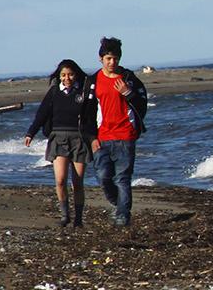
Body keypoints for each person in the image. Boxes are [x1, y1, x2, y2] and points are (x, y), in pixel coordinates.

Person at [23, 59, 96, 227]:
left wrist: (94, 138)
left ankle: (78, 219)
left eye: (70, 74)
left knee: (78, 182)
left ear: (75, 74)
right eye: (63, 75)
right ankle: (65, 216)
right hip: (58, 139)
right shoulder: (54, 92)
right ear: (59, 76)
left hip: (79, 139)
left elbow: (92, 117)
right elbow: (41, 114)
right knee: (60, 180)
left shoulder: (83, 92)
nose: (67, 78)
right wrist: (30, 133)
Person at [86, 36, 148, 227]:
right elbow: (87, 113)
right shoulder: (93, 80)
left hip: (125, 137)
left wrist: (128, 93)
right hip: (102, 138)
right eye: (108, 59)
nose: (112, 62)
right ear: (101, 59)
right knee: (103, 176)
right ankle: (117, 204)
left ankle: (123, 216)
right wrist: (91, 138)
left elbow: (142, 105)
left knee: (122, 178)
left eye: (115, 59)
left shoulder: (129, 79)